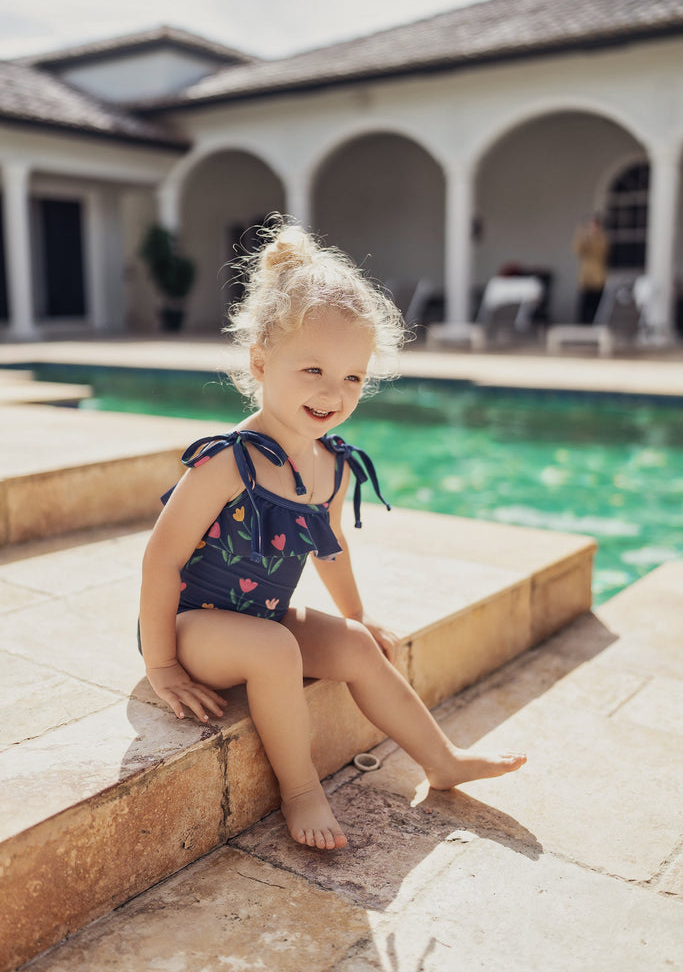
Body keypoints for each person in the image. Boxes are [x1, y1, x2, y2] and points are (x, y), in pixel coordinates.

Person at [139, 218, 526, 852]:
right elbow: (160, 562)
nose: (332, 392)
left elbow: (331, 545)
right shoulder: (227, 462)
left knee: (351, 645)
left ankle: (442, 760)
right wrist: (161, 664)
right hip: (194, 627)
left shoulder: (332, 463)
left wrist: (357, 614)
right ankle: (301, 790)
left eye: (352, 377)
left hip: (261, 613)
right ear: (261, 365)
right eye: (313, 369)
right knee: (273, 650)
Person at [573, 214, 609, 324]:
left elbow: (600, 251)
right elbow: (577, 250)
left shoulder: (603, 240)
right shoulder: (586, 240)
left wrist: (589, 238)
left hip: (598, 278)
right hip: (586, 278)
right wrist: (580, 233)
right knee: (583, 309)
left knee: (596, 309)